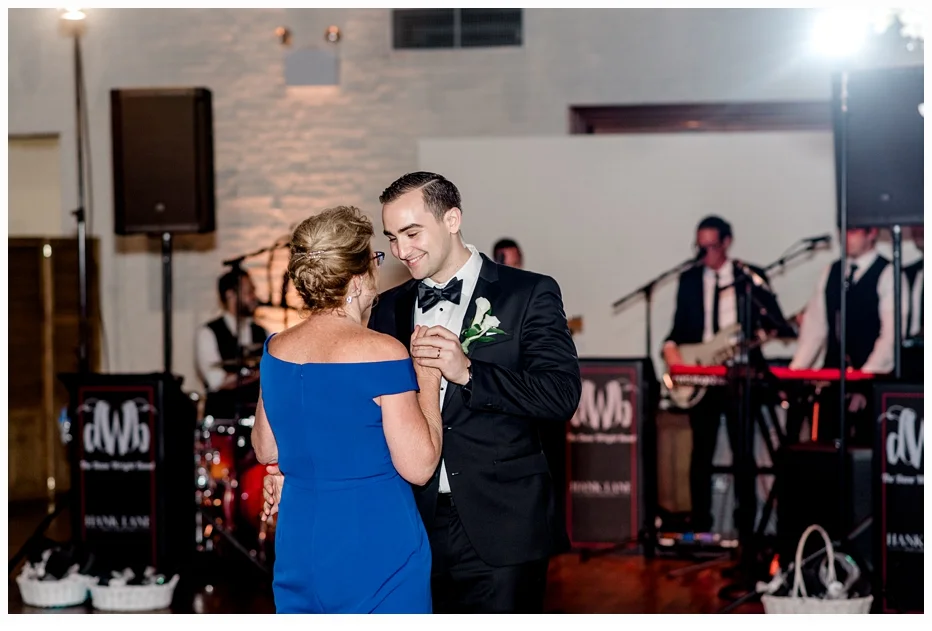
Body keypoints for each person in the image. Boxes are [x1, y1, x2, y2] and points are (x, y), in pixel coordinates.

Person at [265, 173, 581, 613]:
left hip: (503, 527)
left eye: (412, 233)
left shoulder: (527, 293)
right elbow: (341, 403)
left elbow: (561, 395)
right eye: (392, 238)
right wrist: (284, 467)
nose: (401, 251)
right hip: (405, 527)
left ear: (452, 219)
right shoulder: (385, 307)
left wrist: (469, 371)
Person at [250, 206, 444, 613]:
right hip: (377, 545)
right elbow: (420, 466)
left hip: (301, 543)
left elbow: (267, 449)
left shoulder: (276, 349)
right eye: (375, 259)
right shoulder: (382, 354)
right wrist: (425, 375)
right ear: (357, 279)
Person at [662, 215, 787, 534]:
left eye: (712, 246)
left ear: (727, 242)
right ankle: (701, 527)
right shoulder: (689, 279)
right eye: (700, 247)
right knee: (700, 452)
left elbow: (774, 322)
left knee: (742, 452)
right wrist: (672, 352)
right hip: (703, 377)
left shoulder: (749, 277)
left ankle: (745, 528)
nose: (705, 254)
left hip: (740, 375)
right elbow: (677, 329)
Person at [790, 227, 908, 442]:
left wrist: (863, 381)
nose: (845, 237)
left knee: (863, 451)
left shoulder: (889, 273)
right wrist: (795, 373)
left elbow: (891, 337)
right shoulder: (832, 271)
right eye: (842, 231)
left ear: (871, 233)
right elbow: (815, 328)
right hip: (833, 380)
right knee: (823, 446)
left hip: (869, 385)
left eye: (852, 232)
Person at [195, 269, 267, 419]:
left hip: (257, 418)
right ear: (230, 295)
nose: (254, 297)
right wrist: (255, 374)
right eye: (249, 291)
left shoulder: (262, 332)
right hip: (224, 419)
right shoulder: (209, 332)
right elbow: (217, 381)